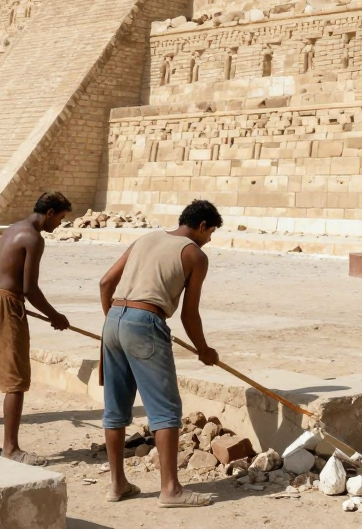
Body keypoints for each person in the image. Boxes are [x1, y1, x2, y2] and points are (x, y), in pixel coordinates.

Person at [97, 199, 222, 508]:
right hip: (146, 322)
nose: (210, 239)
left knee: (115, 410)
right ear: (202, 225)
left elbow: (105, 283)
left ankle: (117, 484)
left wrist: (116, 322)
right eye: (211, 232)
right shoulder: (195, 254)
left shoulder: (147, 238)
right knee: (166, 409)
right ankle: (171, 490)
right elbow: (189, 315)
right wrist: (204, 350)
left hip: (114, 319)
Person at [0, 191, 72, 463]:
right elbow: (29, 289)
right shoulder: (34, 238)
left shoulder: (13, 228)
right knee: (14, 380)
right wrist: (55, 316)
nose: (59, 225)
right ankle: (11, 448)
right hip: (6, 304)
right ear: (49, 213)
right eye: (61, 218)